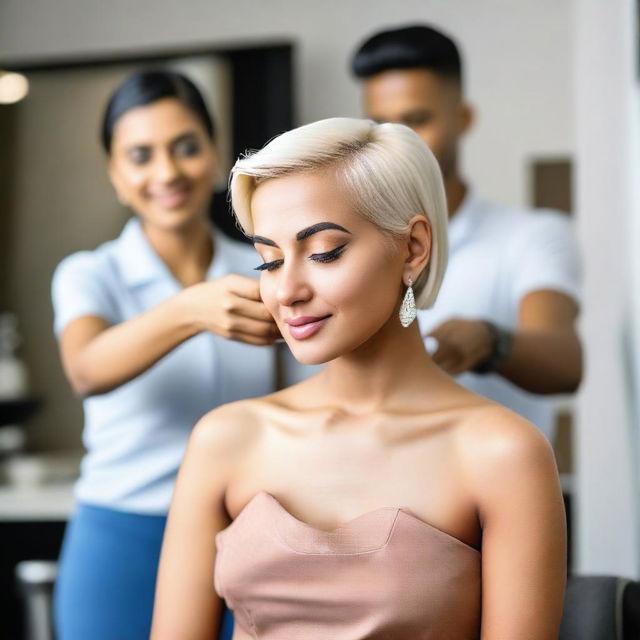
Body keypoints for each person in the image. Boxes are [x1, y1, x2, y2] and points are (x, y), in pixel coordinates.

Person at [151, 117, 567, 639]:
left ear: (413, 249)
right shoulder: (226, 439)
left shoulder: (502, 453)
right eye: (270, 261)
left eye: (324, 251)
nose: (287, 291)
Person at [51, 70, 278, 640]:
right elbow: (86, 368)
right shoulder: (90, 274)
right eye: (140, 155)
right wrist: (191, 308)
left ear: (217, 152)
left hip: (247, 540)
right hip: (122, 539)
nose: (167, 172)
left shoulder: (265, 264)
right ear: (115, 175)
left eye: (186, 147)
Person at [351, 24, 582, 440]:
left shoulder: (531, 237)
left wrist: (491, 341)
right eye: (381, 127)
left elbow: (565, 362)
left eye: (416, 121)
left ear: (463, 119)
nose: (398, 145)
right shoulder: (344, 247)